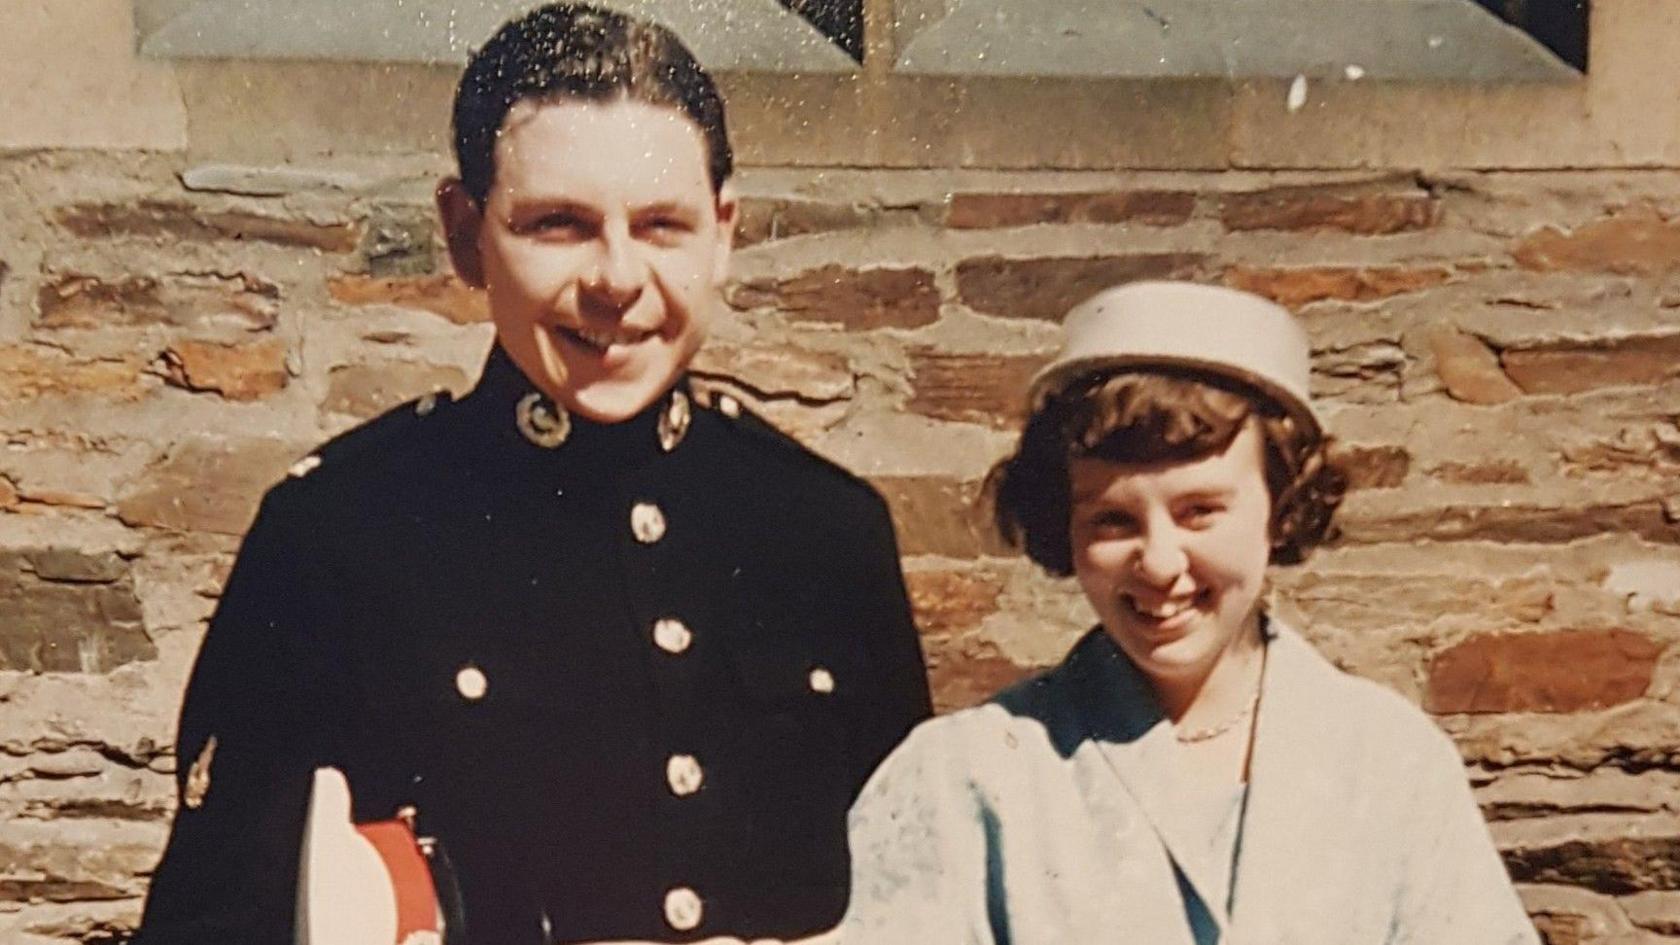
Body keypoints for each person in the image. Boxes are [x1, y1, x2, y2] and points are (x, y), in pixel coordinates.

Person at [134, 5, 931, 944]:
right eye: (559, 225)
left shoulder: (823, 530)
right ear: (465, 233)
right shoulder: (339, 533)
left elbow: (923, 898)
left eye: (663, 226)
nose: (617, 278)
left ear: (724, 231)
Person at [830, 281, 1537, 944]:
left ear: (1282, 504)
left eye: (1200, 511)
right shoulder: (964, 777)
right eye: (1113, 520)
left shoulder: (1393, 764)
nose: (1160, 562)